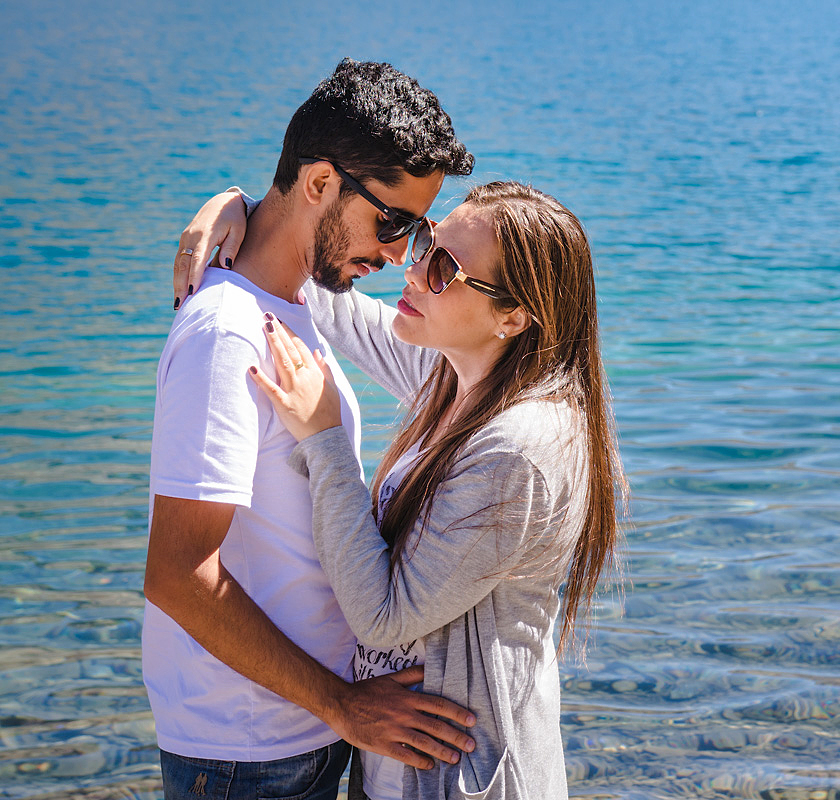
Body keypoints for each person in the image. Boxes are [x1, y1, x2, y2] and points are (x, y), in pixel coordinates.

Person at [179, 180, 626, 799]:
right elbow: (323, 288)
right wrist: (245, 208)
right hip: (404, 771)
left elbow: (384, 617)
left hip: (468, 778)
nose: (410, 271)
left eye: (443, 267)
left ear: (513, 315)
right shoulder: (458, 372)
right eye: (425, 244)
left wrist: (325, 439)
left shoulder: (519, 452)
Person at [144, 59, 478, 800]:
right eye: (391, 223)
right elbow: (175, 574)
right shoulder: (225, 333)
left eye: (414, 230)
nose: (398, 255)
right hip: (246, 753)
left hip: (305, 732)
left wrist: (232, 198)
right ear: (321, 183)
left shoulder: (303, 303)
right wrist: (344, 705)